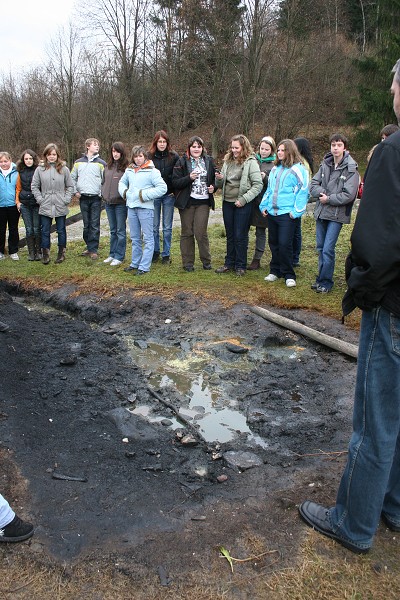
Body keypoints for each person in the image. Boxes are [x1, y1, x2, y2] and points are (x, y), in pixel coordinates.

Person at [299, 59, 400, 554]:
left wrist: (360, 287)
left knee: (376, 417)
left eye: (394, 85)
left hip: (393, 306)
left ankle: (354, 521)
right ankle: (394, 506)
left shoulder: (391, 152)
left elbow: (376, 240)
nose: (390, 90)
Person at [309, 133, 359, 293]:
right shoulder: (325, 164)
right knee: (320, 248)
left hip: (336, 215)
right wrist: (322, 193)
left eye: (339, 145)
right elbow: (313, 184)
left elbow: (349, 195)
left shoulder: (351, 168)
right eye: (333, 145)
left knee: (328, 249)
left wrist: (329, 198)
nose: (335, 148)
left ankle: (326, 282)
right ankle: (320, 279)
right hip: (321, 211)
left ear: (345, 148)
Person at [259, 139, 309, 288]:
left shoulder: (298, 169)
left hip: (287, 214)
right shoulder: (275, 169)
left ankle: (289, 274)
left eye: (283, 150)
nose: (280, 153)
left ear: (290, 151)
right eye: (278, 150)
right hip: (272, 213)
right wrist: (264, 205)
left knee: (284, 244)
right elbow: (269, 189)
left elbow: (303, 190)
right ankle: (275, 271)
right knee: (273, 243)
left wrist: (296, 212)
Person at [215, 134, 263, 276]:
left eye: (237, 147)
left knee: (240, 234)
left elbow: (258, 185)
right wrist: (219, 179)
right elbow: (220, 184)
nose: (234, 150)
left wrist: (243, 199)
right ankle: (229, 263)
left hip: (243, 203)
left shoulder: (251, 162)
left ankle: (240, 265)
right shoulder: (228, 160)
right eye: (232, 147)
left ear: (243, 147)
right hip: (227, 202)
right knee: (230, 234)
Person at [119, 145, 167, 275]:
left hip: (146, 208)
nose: (138, 159)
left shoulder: (152, 171)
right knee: (135, 238)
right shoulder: (129, 170)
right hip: (131, 207)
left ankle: (144, 266)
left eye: (140, 156)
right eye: (136, 156)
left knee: (148, 238)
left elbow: (163, 188)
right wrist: (125, 192)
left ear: (145, 157)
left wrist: (144, 195)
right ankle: (135, 263)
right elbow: (122, 183)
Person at [172, 136, 216, 272]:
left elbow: (214, 179)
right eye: (193, 146)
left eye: (198, 146)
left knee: (200, 232)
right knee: (187, 232)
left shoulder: (208, 161)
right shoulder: (182, 161)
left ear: (202, 148)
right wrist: (189, 178)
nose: (196, 149)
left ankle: (206, 261)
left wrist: (214, 187)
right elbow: (175, 182)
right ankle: (188, 263)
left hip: (203, 202)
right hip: (187, 202)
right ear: (189, 148)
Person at [32, 143, 74, 265]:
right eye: (49, 154)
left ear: (57, 155)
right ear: (45, 155)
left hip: (60, 203)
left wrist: (66, 199)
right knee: (45, 230)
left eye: (54, 154)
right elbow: (34, 186)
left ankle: (61, 253)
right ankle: (45, 253)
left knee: (61, 230)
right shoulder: (40, 170)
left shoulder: (64, 169)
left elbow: (70, 186)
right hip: (45, 204)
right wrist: (40, 199)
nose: (51, 157)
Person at [71, 138, 106, 260]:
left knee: (94, 224)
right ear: (87, 146)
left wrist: (101, 193)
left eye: (98, 145)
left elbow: (105, 180)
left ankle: (93, 249)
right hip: (83, 198)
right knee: (86, 225)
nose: (97, 146)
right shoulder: (78, 163)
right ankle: (89, 246)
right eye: (94, 144)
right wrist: (75, 191)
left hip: (96, 198)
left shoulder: (101, 163)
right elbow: (72, 178)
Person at [148, 130, 179, 264]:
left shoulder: (174, 156)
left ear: (167, 143)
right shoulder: (149, 157)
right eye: (159, 141)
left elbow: (178, 175)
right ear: (155, 142)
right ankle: (155, 252)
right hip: (154, 196)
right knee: (154, 226)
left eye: (164, 141)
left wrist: (175, 191)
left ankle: (166, 254)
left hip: (168, 195)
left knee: (167, 227)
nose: (162, 144)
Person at [247, 136, 276, 271]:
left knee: (260, 231)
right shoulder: (252, 160)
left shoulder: (274, 164)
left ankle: (257, 259)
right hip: (249, 200)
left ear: (272, 150)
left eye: (267, 149)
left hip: (263, 202)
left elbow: (275, 184)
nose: (263, 151)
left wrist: (266, 178)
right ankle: (241, 254)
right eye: (262, 148)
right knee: (243, 229)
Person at [102, 142, 128, 267]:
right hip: (108, 203)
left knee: (120, 230)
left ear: (121, 153)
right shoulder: (107, 166)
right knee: (113, 230)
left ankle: (119, 256)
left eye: (117, 151)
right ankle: (112, 254)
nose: (115, 154)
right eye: (113, 151)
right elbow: (103, 182)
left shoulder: (126, 168)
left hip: (120, 204)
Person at [15, 149, 41, 261]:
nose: (28, 161)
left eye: (30, 158)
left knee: (36, 229)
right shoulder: (20, 172)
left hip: (36, 204)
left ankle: (39, 251)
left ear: (34, 159)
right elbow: (18, 188)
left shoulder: (39, 170)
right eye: (26, 159)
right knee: (29, 229)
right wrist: (17, 202)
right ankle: (31, 252)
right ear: (23, 160)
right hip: (24, 204)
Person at [293, 137, 314, 267]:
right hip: (299, 200)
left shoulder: (302, 164)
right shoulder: (305, 162)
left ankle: (295, 257)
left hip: (298, 201)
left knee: (295, 231)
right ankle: (295, 256)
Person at [0, 152, 20, 261]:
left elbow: (19, 188)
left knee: (13, 228)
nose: (3, 164)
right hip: (0, 206)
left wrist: (18, 201)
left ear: (10, 160)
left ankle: (13, 251)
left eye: (5, 161)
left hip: (13, 205)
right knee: (1, 229)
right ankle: (1, 251)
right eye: (1, 162)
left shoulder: (17, 171)